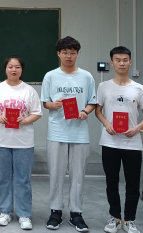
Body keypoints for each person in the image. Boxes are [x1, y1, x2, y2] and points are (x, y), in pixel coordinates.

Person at [41, 36, 97, 232]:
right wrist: (54, 105)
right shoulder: (50, 76)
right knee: (56, 174)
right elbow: (45, 102)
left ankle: (76, 213)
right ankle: (55, 211)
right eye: (65, 53)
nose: (69, 56)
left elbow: (92, 102)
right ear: (59, 53)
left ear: (77, 54)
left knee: (78, 175)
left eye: (72, 53)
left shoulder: (87, 76)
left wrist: (85, 112)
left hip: (79, 133)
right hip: (57, 132)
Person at [95, 47, 143, 233]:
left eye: (125, 60)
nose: (121, 63)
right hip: (109, 142)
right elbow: (98, 111)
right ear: (112, 63)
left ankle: (129, 220)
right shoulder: (103, 86)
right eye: (118, 60)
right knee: (111, 182)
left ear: (130, 62)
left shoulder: (139, 89)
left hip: (132, 143)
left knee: (133, 184)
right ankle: (115, 217)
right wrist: (107, 124)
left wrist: (136, 128)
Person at [0, 56, 43, 230]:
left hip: (23, 142)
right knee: (3, 178)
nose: (14, 70)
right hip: (1, 140)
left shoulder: (29, 90)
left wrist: (25, 120)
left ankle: (24, 214)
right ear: (5, 69)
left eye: (17, 67)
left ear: (21, 69)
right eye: (10, 66)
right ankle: (5, 212)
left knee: (23, 179)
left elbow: (37, 112)